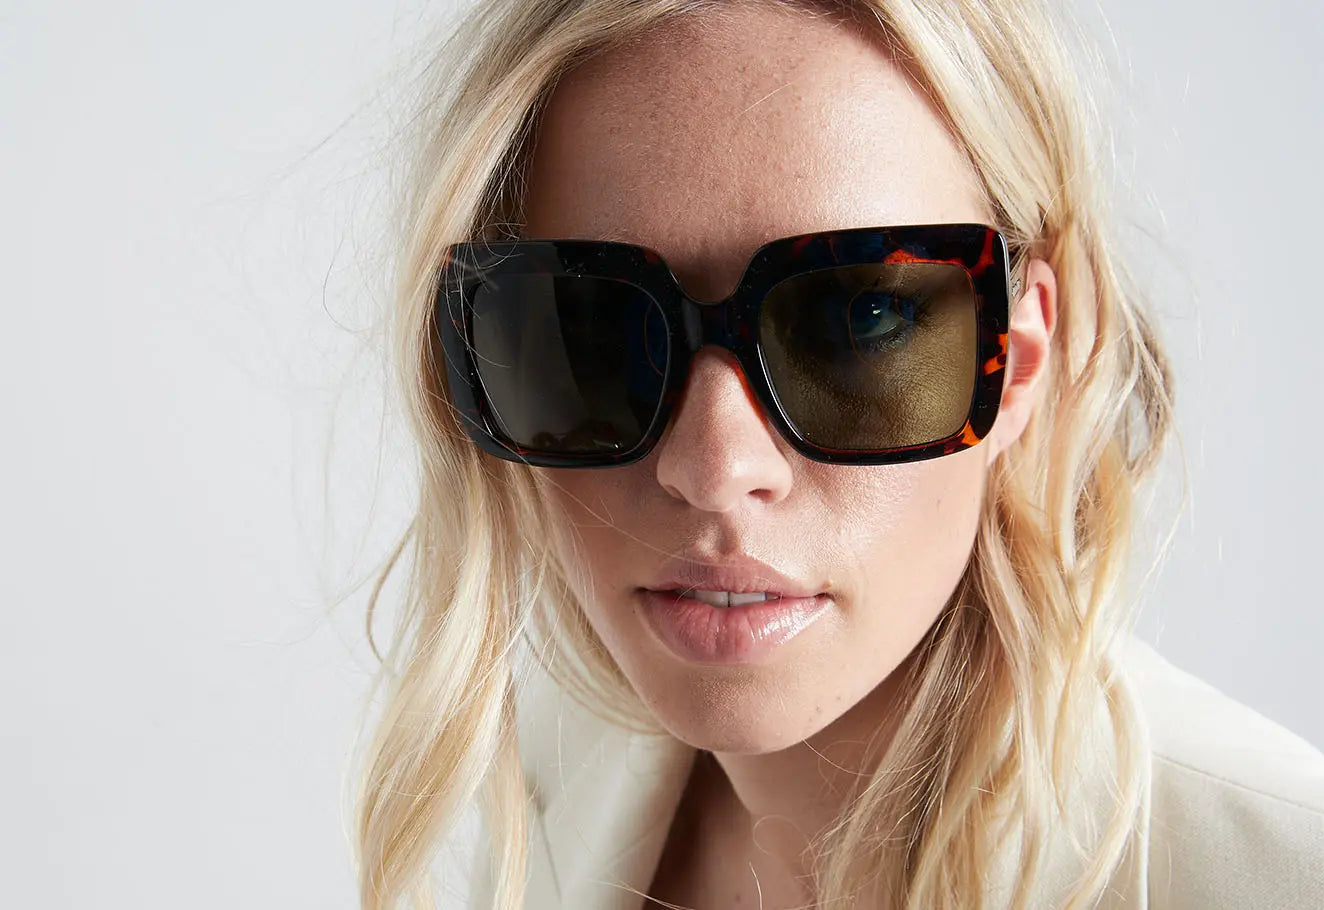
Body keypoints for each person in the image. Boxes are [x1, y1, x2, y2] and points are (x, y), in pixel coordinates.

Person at [349, 0, 1324, 907]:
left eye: (860, 319)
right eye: (592, 326)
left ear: (1021, 358)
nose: (715, 469)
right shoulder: (543, 781)